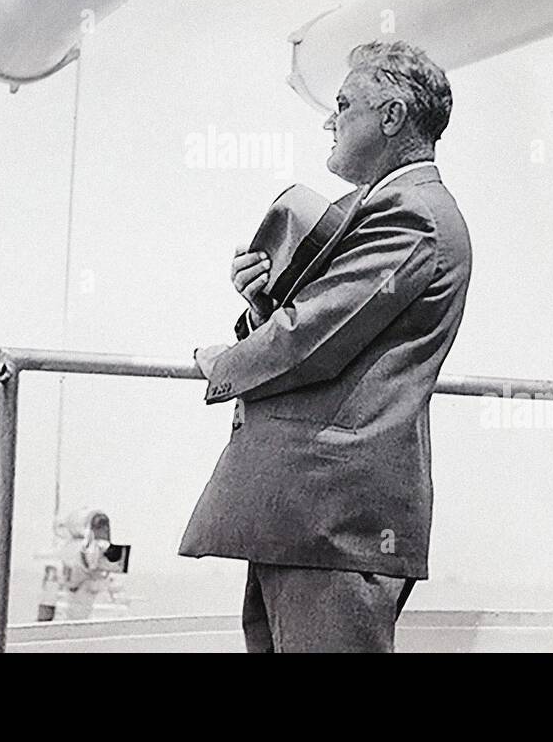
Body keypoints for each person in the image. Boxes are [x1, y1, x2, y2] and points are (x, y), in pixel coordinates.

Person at [179, 41, 472, 652]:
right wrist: (262, 301)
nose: (329, 121)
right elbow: (339, 329)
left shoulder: (411, 214)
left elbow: (313, 340)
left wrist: (220, 363)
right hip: (304, 517)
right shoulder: (385, 208)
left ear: (391, 117)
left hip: (333, 518)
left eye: (344, 105)